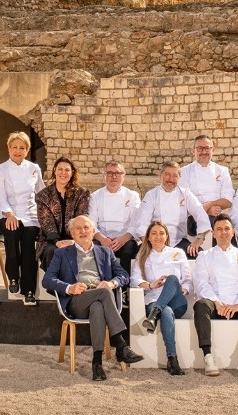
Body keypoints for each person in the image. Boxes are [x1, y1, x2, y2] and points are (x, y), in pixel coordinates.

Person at [44, 216, 143, 381]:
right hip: (77, 301)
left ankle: (96, 363)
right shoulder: (61, 253)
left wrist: (111, 283)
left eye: (86, 227)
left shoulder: (105, 252)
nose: (83, 231)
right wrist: (69, 287)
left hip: (100, 300)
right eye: (78, 228)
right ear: (71, 233)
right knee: (103, 294)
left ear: (92, 231)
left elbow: (124, 276)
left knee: (98, 305)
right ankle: (121, 345)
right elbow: (48, 279)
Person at [192, 215, 238, 379]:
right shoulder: (204, 256)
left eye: (227, 229)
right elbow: (201, 283)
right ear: (214, 233)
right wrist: (217, 303)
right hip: (214, 303)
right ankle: (208, 357)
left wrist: (237, 305)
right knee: (200, 305)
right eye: (219, 229)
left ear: (232, 232)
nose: (223, 232)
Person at [131, 221, 192, 376]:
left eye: (161, 233)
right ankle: (172, 359)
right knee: (166, 312)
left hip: (177, 301)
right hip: (153, 299)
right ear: (148, 238)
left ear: (166, 236)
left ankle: (154, 314)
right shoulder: (142, 256)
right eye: (154, 233)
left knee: (171, 278)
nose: (158, 236)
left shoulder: (178, 253)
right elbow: (135, 280)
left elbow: (187, 280)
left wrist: (183, 290)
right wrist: (151, 285)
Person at [0, 132, 45, 305]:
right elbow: (0, 197)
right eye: (14, 147)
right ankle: (13, 276)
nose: (17, 151)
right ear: (8, 149)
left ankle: (29, 289)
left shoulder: (34, 169)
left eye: (21, 148)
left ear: (27, 150)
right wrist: (9, 214)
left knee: (29, 240)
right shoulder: (1, 169)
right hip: (7, 213)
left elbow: (41, 194)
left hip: (30, 215)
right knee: (12, 231)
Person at [137, 161, 211, 257]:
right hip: (155, 241)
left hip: (179, 242)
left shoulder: (185, 194)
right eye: (167, 174)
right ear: (160, 176)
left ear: (179, 178)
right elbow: (143, 222)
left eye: (175, 176)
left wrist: (199, 239)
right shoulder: (151, 195)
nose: (171, 179)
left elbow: (199, 212)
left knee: (200, 255)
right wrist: (149, 245)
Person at [35, 157, 91, 270]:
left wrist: (74, 240)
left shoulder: (81, 193)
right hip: (50, 240)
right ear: (54, 171)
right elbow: (46, 222)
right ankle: (54, 285)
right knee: (52, 252)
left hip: (76, 238)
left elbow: (81, 218)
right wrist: (57, 242)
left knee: (76, 251)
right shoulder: (43, 195)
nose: (63, 173)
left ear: (72, 173)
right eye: (60, 169)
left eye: (67, 170)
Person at [88, 160, 142, 273]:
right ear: (104, 176)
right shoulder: (95, 197)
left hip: (125, 239)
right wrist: (103, 239)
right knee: (96, 249)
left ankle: (123, 285)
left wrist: (123, 239)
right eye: (109, 173)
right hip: (102, 238)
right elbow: (91, 223)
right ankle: (103, 286)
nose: (113, 176)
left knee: (129, 250)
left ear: (123, 176)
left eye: (117, 173)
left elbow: (136, 222)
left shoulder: (132, 196)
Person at [179, 134, 234, 221]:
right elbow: (184, 200)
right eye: (199, 148)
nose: (204, 152)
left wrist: (208, 205)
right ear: (193, 151)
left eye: (207, 148)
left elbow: (228, 200)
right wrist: (206, 210)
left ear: (213, 150)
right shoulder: (184, 172)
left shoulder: (223, 171)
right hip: (194, 218)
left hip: (219, 217)